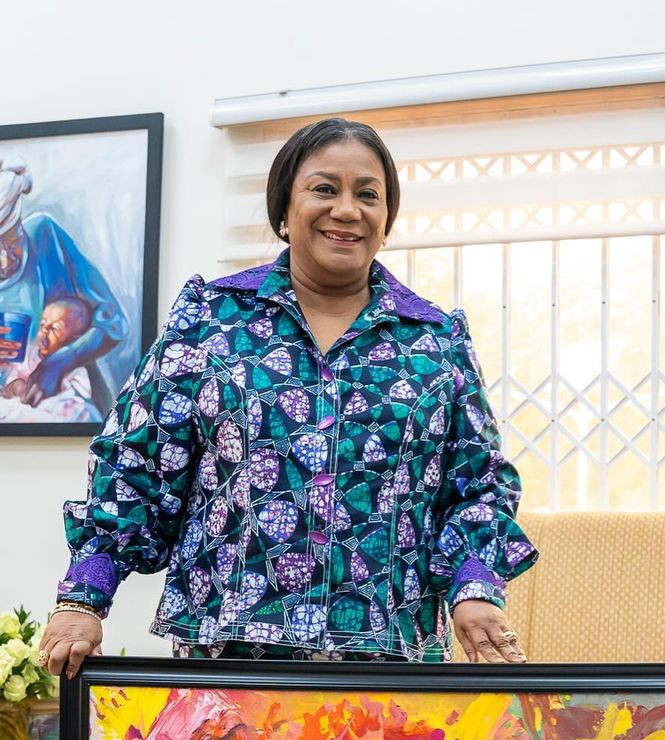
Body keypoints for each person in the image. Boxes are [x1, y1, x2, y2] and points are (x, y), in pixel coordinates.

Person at [39, 119, 536, 677]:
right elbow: (136, 465)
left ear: (386, 219)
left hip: (389, 662)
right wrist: (83, 598)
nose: (347, 210)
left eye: (368, 195)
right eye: (324, 189)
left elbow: (479, 483)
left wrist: (475, 585)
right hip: (229, 664)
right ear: (283, 210)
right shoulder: (209, 322)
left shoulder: (435, 341)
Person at [0, 155, 126, 417]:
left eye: (11, 243)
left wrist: (60, 362)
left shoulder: (44, 237)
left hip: (69, 416)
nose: (4, 260)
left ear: (19, 224)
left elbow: (114, 323)